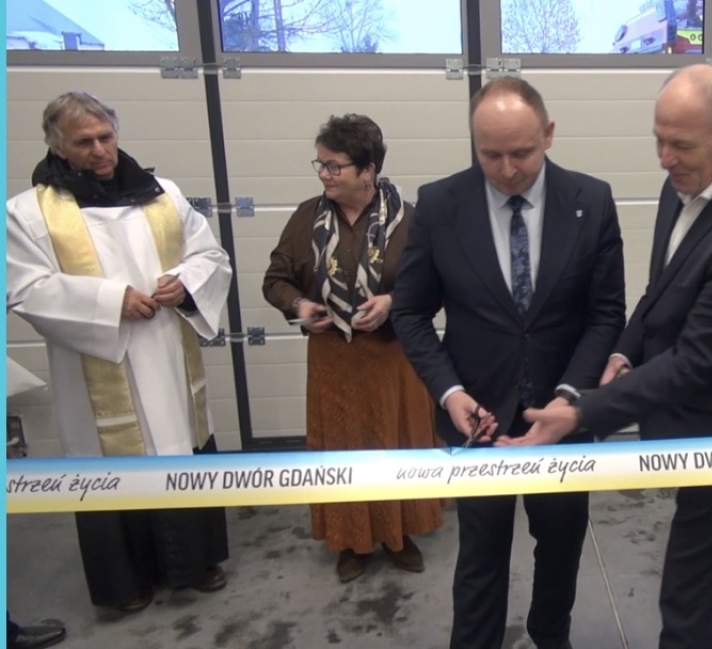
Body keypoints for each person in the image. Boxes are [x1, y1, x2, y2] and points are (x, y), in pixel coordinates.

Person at [504, 64, 712, 649]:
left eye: (681, 145)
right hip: (692, 424)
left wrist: (583, 410)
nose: (665, 159)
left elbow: (697, 361)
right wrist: (624, 349)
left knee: (688, 606)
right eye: (659, 140)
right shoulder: (687, 182)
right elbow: (661, 291)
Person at [389, 77, 626, 649]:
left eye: (521, 152)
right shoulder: (440, 205)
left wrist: (570, 397)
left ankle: (551, 635)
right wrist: (449, 392)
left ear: (548, 133)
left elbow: (605, 314)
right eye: (490, 154)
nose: (507, 169)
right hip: (479, 421)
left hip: (562, 422)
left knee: (562, 547)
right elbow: (411, 312)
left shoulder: (591, 201)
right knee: (481, 555)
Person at [6, 91, 233, 612]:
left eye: (105, 137)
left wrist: (185, 281)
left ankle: (194, 562)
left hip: (167, 356)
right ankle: (126, 582)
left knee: (179, 450)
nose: (99, 151)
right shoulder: (29, 212)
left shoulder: (162, 195)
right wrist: (111, 302)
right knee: (111, 466)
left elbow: (210, 255)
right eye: (83, 142)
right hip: (97, 365)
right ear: (58, 147)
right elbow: (25, 289)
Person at [262, 113, 444, 583]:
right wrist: (301, 305)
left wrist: (393, 302)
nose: (323, 174)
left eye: (333, 166)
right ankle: (352, 541)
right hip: (333, 359)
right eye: (320, 164)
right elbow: (275, 279)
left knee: (397, 443)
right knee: (343, 449)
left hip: (393, 356)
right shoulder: (307, 217)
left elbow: (437, 284)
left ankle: (399, 533)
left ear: (368, 170)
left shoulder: (410, 219)